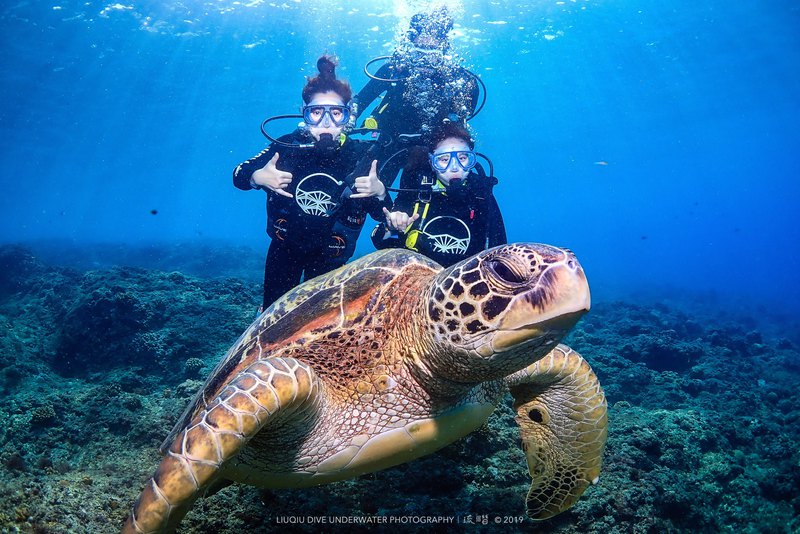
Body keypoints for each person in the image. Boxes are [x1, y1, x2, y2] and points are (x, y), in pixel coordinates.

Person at [234, 55, 390, 311]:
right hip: (284, 252)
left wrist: (380, 191)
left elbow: (381, 212)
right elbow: (239, 174)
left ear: (348, 116)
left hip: (331, 257)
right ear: (304, 115)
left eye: (336, 113)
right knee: (274, 318)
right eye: (317, 113)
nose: (326, 123)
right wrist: (258, 177)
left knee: (321, 327)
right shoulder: (286, 146)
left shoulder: (359, 155)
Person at [351, 6, 482, 186]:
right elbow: (360, 100)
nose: (424, 62)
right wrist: (347, 123)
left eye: (432, 54)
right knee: (357, 190)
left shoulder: (457, 80)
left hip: (434, 154)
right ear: (409, 48)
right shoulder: (393, 71)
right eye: (419, 53)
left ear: (444, 51)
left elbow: (463, 118)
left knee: (424, 204)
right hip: (389, 143)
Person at [372, 122, 506, 267]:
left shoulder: (481, 193)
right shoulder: (418, 188)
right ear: (431, 162)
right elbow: (380, 240)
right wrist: (391, 227)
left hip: (465, 283)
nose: (455, 168)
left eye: (462, 158)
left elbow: (500, 249)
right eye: (444, 160)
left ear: (472, 159)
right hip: (415, 278)